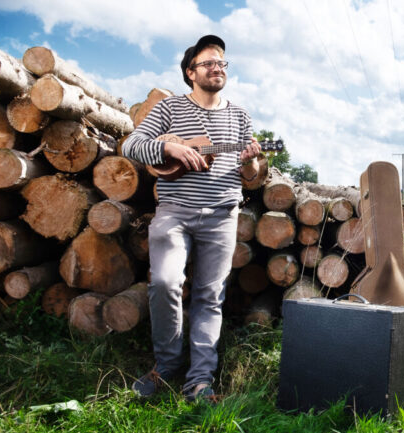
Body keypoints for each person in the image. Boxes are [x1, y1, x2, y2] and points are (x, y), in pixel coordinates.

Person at [122, 34, 261, 402]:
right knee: (165, 283)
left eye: (222, 63)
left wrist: (252, 161)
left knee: (209, 296)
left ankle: (200, 381)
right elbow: (131, 145)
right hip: (174, 213)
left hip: (222, 216)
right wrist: (168, 146)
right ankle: (165, 366)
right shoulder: (169, 109)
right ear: (190, 72)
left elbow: (252, 175)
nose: (217, 68)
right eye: (208, 63)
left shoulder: (240, 115)